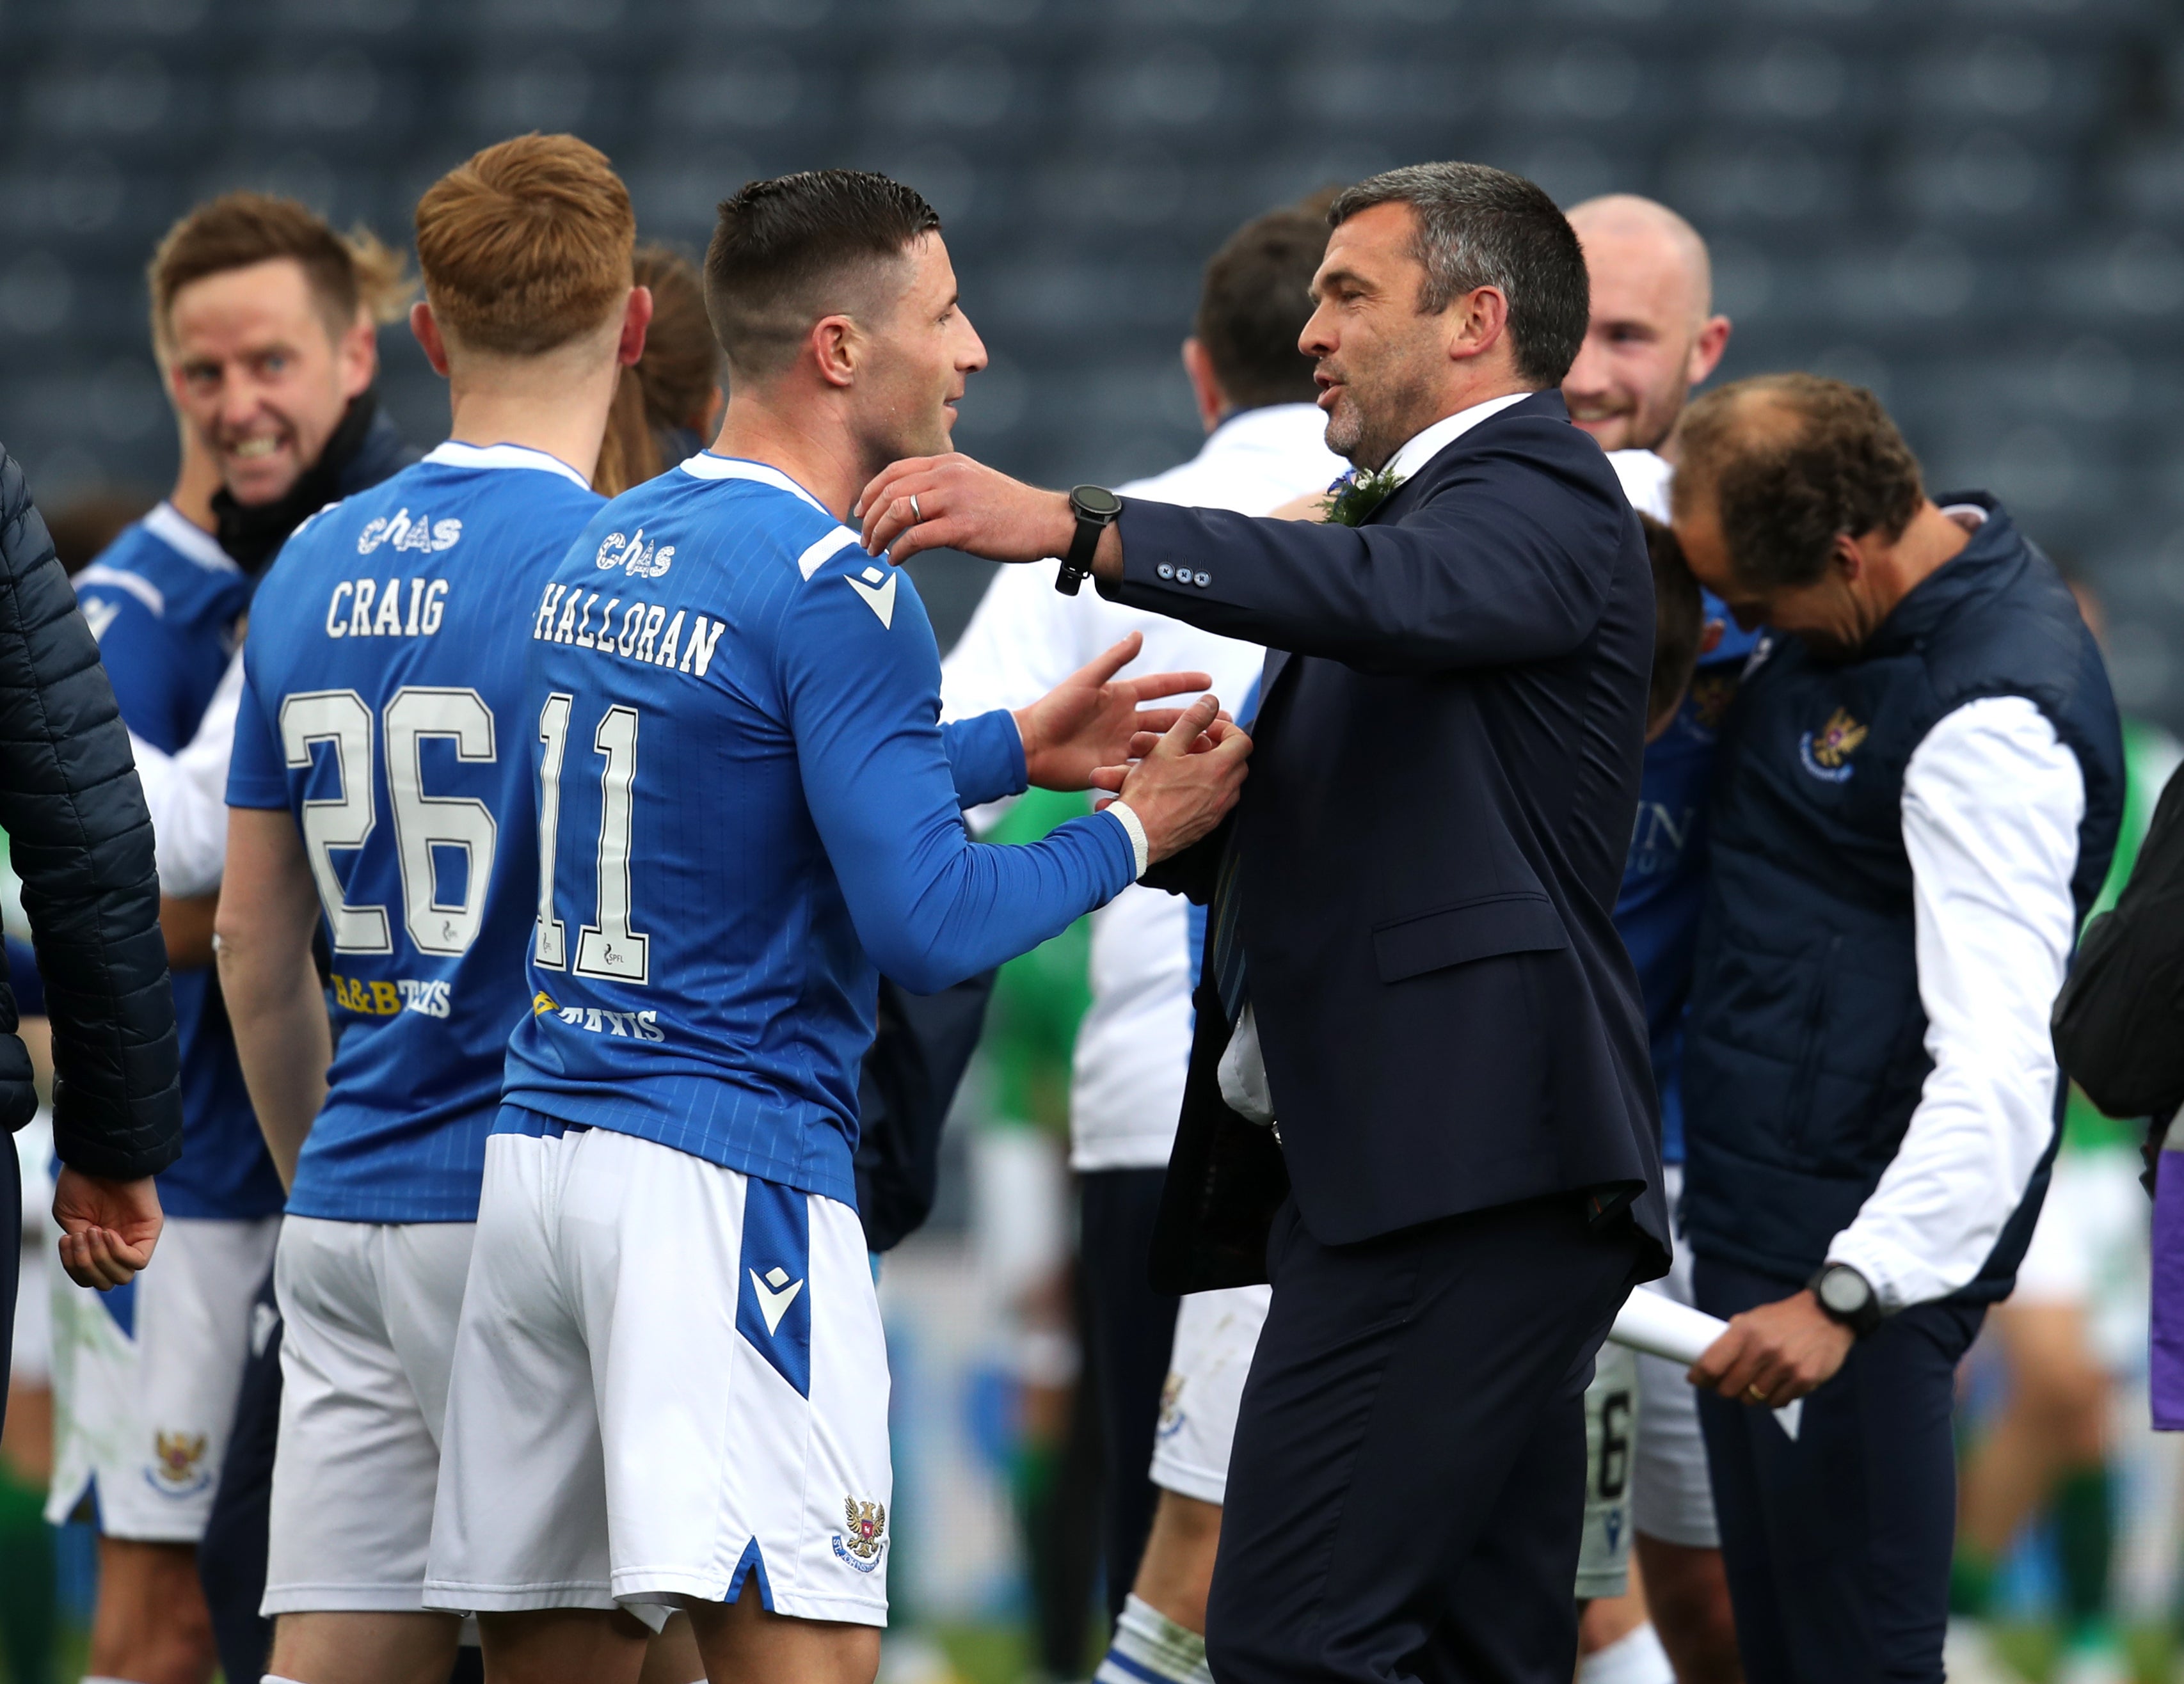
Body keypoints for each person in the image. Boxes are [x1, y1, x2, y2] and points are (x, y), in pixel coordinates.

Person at [420, 168, 1249, 1684]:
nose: (977, 350)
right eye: (944, 313)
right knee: (807, 1667)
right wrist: (1136, 830)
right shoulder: (838, 587)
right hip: (724, 1183)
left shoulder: (605, 542)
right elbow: (928, 921)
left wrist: (1005, 744)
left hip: (539, 1168)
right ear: (840, 350)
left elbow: (732, 781)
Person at [862, 160, 1666, 1684]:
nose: (1309, 332)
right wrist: (1181, 827)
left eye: (1350, 295)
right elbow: (1409, 823)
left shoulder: (1546, 495)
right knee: (1484, 1643)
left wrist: (1070, 524)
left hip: (1456, 1171)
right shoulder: (1443, 527)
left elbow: (1382, 591)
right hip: (1450, 1166)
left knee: (1294, 1634)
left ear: (1478, 322)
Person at [212, 133, 651, 1684]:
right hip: (534, 1208)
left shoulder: (305, 564)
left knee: (333, 1656)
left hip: (349, 1196)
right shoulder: (622, 565)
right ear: (638, 326)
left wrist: (323, 1168)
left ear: (429, 333)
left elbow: (253, 941)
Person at [1667, 374, 2124, 1682]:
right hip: (1765, 1234)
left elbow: (2000, 1061)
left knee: (1856, 1664)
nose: (1738, 632)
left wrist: (1851, 1294)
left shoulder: (1990, 726)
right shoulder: (1865, 626)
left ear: (1847, 556)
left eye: (1751, 605)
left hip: (1846, 1273)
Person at [939, 200, 1341, 1676]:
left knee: (1159, 1549)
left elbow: (932, 788)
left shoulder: (1091, 551)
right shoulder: (1453, 526)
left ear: (1198, 370)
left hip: (1149, 1106)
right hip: (1403, 1109)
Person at [52, 191, 413, 1684]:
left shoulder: (358, 553)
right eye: (203, 375)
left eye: (268, 363)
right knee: (165, 1617)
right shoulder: (119, 609)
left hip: (345, 1157)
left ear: (356, 355)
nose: (239, 404)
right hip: (190, 1184)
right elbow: (143, 899)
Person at [1563, 191, 1744, 1684]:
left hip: (1703, 1165)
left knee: (1712, 1590)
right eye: (1570, 331)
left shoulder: (1759, 588)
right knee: (1563, 1579)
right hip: (1512, 1157)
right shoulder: (1411, 542)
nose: (1590, 373)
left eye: (1630, 336)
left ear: (1706, 349)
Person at [1948, 573, 2182, 1684]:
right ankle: (1960, 1602)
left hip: (2126, 1149)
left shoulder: (2151, 766)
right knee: (2059, 1385)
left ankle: (2090, 1638)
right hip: (2011, 1124)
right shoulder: (1958, 758)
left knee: (2105, 1412)